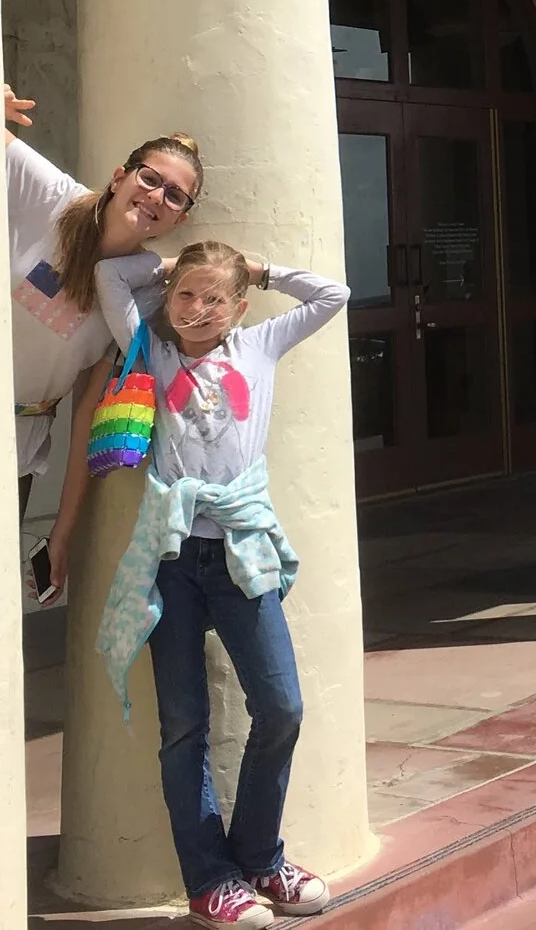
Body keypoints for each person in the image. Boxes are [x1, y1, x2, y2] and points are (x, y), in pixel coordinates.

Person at [95, 241, 349, 927]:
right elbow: (108, 274)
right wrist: (167, 264)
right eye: (186, 294)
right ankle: (211, 879)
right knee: (184, 724)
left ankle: (260, 856)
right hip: (174, 556)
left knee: (281, 706)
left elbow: (333, 295)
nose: (198, 310)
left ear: (238, 308)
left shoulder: (260, 344)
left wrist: (262, 270)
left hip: (241, 553)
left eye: (214, 299)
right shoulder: (151, 345)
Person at [1, 88, 194, 519]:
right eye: (149, 178)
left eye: (175, 195)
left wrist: (64, 534)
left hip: (17, 450)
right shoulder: (53, 197)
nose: (157, 196)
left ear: (179, 218)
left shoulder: (139, 293)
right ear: (119, 176)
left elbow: (87, 411)